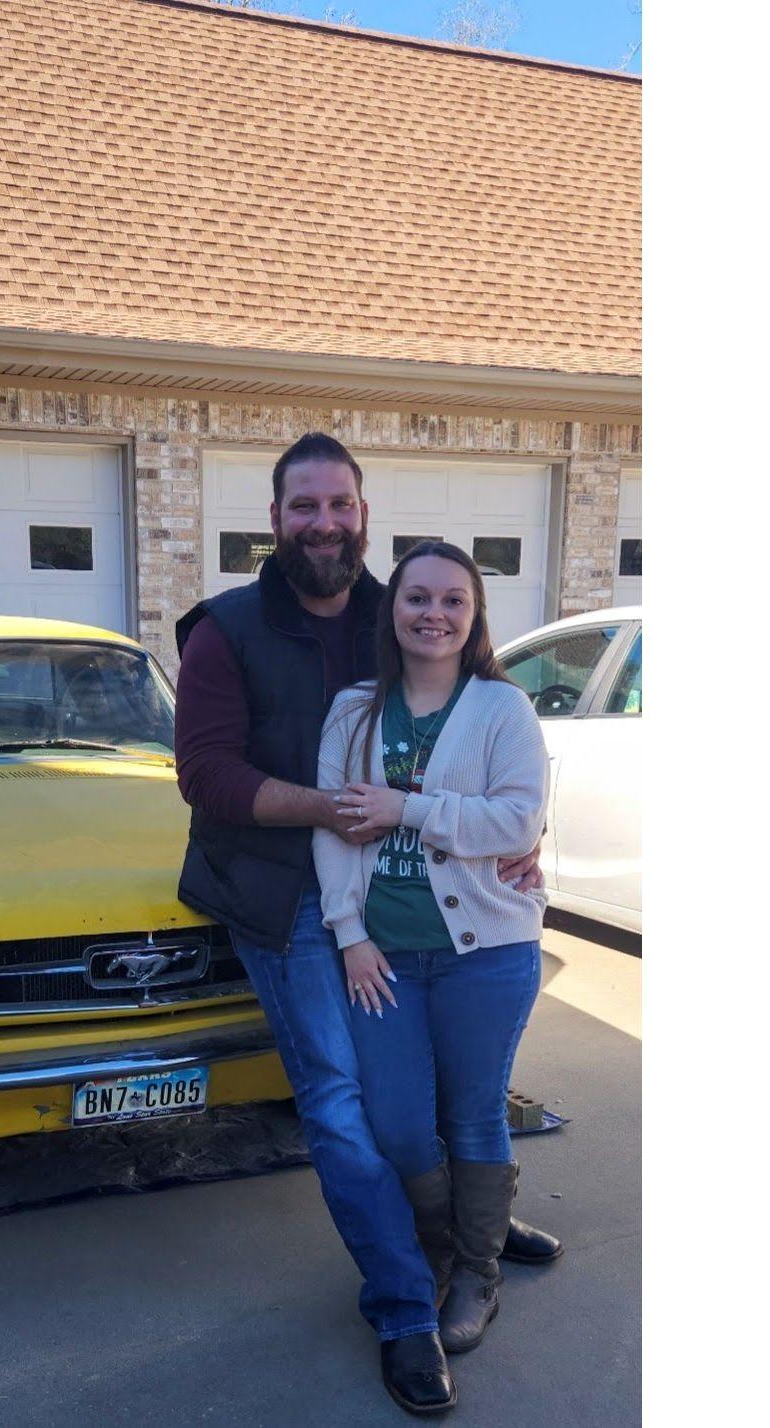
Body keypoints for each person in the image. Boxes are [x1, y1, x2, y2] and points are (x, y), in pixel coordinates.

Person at [173, 433, 556, 1415]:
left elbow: (486, 752)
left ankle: (473, 1228)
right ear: (274, 521)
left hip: (419, 901)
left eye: (340, 505)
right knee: (348, 1107)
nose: (325, 523)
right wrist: (342, 808)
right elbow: (207, 778)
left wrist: (517, 842)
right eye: (304, 507)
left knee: (443, 1090)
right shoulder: (222, 630)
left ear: (364, 514)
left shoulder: (406, 607)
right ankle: (402, 1309)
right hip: (284, 897)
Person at [313, 540, 549, 1356]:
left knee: (475, 1113)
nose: (435, 614)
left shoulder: (501, 708)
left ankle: (476, 1275)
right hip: (385, 957)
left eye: (455, 600)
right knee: (402, 1127)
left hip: (486, 951)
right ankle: (444, 1250)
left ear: (475, 615)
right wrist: (350, 934)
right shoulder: (352, 710)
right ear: (394, 608)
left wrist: (405, 808)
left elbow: (517, 820)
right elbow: (340, 829)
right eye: (419, 597)